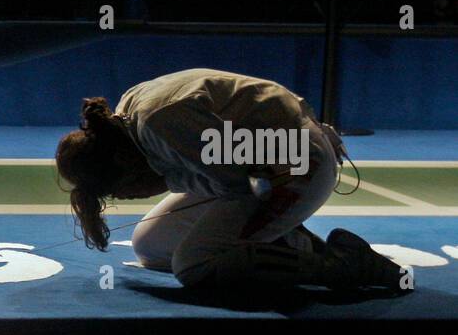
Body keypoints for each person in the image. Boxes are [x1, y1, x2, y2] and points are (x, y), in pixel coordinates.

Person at [55, 68, 406, 292]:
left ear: (121, 161)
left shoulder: (163, 125)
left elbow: (254, 185)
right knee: (151, 245)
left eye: (120, 190)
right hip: (263, 165)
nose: (128, 197)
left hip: (297, 164)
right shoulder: (130, 113)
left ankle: (341, 265)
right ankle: (291, 245)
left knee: (193, 266)